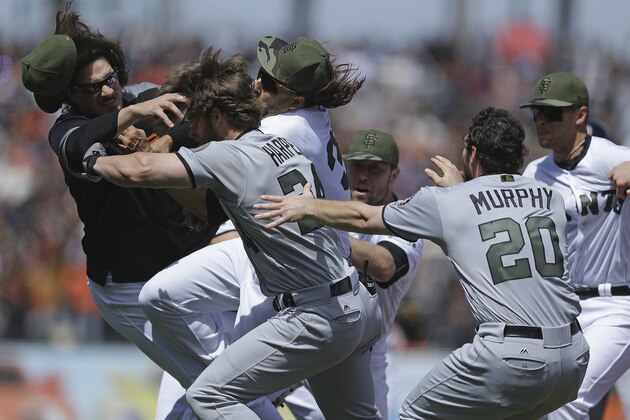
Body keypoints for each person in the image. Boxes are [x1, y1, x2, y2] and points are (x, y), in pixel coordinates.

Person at [89, 48, 383, 419]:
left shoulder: (261, 138)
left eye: (196, 118)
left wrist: (91, 157)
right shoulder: (291, 130)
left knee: (209, 396)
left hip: (313, 310)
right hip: (350, 299)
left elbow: (142, 170)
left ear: (295, 98)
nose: (258, 83)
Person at [255, 106, 590, 419]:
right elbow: (499, 209)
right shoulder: (549, 197)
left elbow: (363, 217)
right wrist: (463, 191)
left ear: (471, 152)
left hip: (510, 354)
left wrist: (309, 207)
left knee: (413, 413)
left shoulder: (448, 201)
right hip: (573, 357)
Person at [20, 8, 230, 419]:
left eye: (109, 79)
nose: (105, 91)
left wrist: (162, 142)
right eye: (89, 88)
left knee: (207, 385)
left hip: (187, 264)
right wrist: (125, 122)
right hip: (130, 286)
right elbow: (81, 143)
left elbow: (198, 123)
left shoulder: (145, 96)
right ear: (71, 96)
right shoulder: (66, 129)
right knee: (220, 382)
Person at [282, 129, 424, 419]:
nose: (363, 176)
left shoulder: (407, 221)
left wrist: (328, 236)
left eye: (375, 169)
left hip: (365, 353)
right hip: (314, 337)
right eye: (357, 166)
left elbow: (384, 266)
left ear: (394, 175)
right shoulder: (331, 209)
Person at [520, 71, 630, 419]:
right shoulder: (534, 174)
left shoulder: (607, 156)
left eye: (553, 113)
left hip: (616, 306)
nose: (541, 121)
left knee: (568, 403)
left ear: (580, 115)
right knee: (534, 405)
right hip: (561, 311)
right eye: (537, 113)